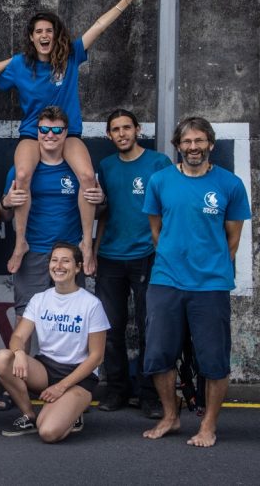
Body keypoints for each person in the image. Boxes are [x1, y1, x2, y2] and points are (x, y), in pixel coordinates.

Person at [0, 0, 148, 270]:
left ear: (55, 34)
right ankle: (20, 242)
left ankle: (86, 245)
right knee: (22, 176)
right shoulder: (19, 65)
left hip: (69, 133)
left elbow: (99, 26)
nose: (44, 35)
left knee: (88, 178)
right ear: (31, 36)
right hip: (32, 134)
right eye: (38, 31)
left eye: (49, 30)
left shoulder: (71, 56)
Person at [141, 117, 249, 448]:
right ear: (178, 146)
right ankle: (171, 417)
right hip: (166, 280)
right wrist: (175, 258)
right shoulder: (159, 181)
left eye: (200, 141)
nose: (193, 147)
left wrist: (208, 264)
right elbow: (156, 231)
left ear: (210, 145)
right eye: (187, 142)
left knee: (214, 359)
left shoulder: (230, 184)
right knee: (159, 353)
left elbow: (232, 240)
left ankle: (208, 426)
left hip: (211, 284)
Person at [93, 109, 172, 418]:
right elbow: (104, 214)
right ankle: (117, 389)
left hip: (147, 257)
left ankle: (149, 393)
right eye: (115, 129)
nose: (122, 133)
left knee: (147, 327)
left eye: (127, 127)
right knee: (109, 329)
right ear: (109, 135)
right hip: (110, 258)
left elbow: (169, 209)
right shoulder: (106, 166)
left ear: (137, 129)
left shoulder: (157, 163)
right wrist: (93, 253)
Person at [0, 242, 109, 442]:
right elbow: (18, 337)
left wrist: (61, 387)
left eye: (66, 261)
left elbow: (97, 357)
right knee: (3, 358)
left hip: (79, 376)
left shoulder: (91, 304)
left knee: (48, 433)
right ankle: (29, 415)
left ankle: (72, 410)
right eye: (54, 261)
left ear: (78, 267)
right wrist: (20, 354)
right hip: (46, 370)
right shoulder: (40, 299)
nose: (59, 266)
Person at [0, 107, 102, 315]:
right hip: (33, 253)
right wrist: (7, 202)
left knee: (72, 318)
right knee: (25, 317)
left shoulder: (77, 170)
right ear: (37, 132)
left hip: (70, 252)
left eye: (56, 130)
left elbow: (99, 212)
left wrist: (102, 200)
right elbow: (3, 214)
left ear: (66, 133)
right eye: (44, 129)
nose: (50, 135)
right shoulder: (19, 170)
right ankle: (20, 245)